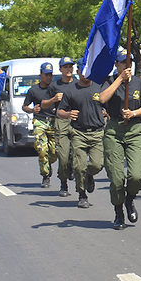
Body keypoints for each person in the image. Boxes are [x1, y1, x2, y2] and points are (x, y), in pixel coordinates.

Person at [99, 47, 141, 230]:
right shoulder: (109, 81)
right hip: (114, 130)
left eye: (130, 63)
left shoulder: (139, 83)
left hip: (134, 129)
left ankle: (130, 199)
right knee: (117, 178)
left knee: (136, 175)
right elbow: (103, 98)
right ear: (116, 64)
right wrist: (119, 79)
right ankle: (118, 212)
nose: (127, 66)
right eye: (123, 63)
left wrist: (133, 113)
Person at [57, 57, 106, 209]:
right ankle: (82, 195)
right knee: (79, 167)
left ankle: (89, 175)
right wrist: (68, 114)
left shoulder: (99, 88)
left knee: (97, 164)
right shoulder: (71, 91)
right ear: (77, 71)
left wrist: (106, 112)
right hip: (78, 133)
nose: (85, 73)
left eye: (88, 69)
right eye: (82, 70)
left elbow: (107, 104)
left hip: (97, 133)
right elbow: (60, 111)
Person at [22, 62, 58, 189]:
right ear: (40, 75)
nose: (48, 77)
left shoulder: (55, 88)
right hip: (40, 121)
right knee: (42, 150)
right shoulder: (33, 90)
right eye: (46, 74)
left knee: (55, 152)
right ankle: (45, 175)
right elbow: (25, 106)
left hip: (53, 122)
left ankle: (47, 164)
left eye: (50, 75)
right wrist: (32, 110)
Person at [46, 57, 77, 197]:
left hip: (77, 120)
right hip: (61, 120)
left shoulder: (78, 84)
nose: (68, 69)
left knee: (76, 154)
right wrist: (53, 100)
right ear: (60, 69)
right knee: (63, 156)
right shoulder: (54, 86)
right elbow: (44, 104)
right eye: (65, 67)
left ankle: (74, 171)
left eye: (70, 66)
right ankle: (63, 183)